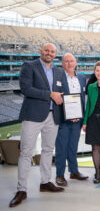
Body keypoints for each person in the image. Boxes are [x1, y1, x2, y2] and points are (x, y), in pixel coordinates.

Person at [10, 43, 65, 208]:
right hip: (33, 115)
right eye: (47, 50)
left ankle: (45, 182)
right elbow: (25, 88)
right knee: (26, 152)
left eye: (53, 51)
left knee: (48, 150)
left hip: (52, 116)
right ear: (41, 51)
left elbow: (61, 93)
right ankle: (21, 190)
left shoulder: (59, 71)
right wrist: (49, 94)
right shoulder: (29, 66)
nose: (49, 53)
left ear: (56, 54)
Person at [54, 53, 88, 187]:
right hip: (64, 118)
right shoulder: (58, 77)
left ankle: (73, 171)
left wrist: (81, 116)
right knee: (61, 147)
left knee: (73, 146)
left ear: (76, 62)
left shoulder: (82, 78)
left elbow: (83, 98)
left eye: (71, 61)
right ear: (62, 63)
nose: (69, 63)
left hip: (78, 119)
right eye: (66, 61)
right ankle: (60, 175)